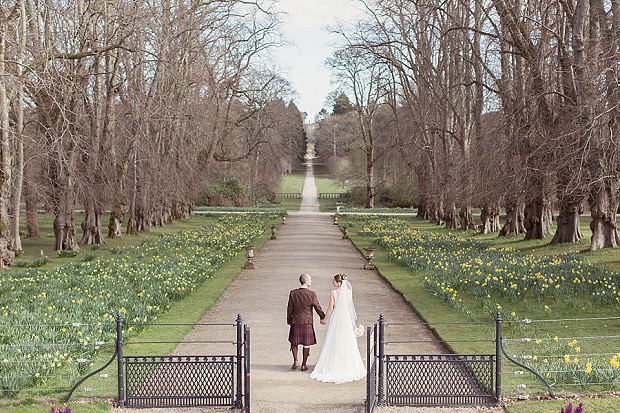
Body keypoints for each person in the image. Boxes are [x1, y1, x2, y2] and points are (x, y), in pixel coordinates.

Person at [309, 273, 366, 384]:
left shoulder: (333, 293)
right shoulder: (349, 293)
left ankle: (334, 363)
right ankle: (347, 364)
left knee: (335, 339)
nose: (332, 283)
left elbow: (330, 308)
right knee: (346, 340)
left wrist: (324, 319)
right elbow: (350, 307)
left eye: (334, 281)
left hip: (337, 318)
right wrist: (353, 322)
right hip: (345, 317)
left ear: (339, 283)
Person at [287, 273, 325, 371]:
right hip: (307, 321)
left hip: (295, 320)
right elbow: (317, 307)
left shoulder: (293, 293)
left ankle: (295, 360)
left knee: (294, 342)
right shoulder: (312, 294)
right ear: (307, 281)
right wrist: (323, 317)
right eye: (310, 280)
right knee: (306, 344)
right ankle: (304, 365)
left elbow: (290, 308)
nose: (311, 281)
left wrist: (289, 320)